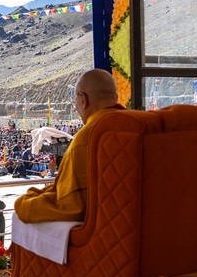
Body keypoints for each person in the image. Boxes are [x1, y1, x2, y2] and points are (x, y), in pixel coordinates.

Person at [15, 69, 124, 223]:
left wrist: (23, 203)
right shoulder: (143, 125)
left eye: (75, 101)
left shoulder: (86, 140)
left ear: (83, 99)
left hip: (105, 231)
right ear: (116, 97)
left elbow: (66, 204)